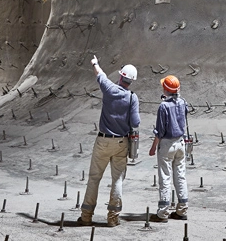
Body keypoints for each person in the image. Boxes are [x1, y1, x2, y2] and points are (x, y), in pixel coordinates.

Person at [79, 55, 139, 227]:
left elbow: (100, 74)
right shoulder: (132, 98)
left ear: (121, 76)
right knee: (117, 180)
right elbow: (135, 123)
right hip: (121, 143)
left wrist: (95, 62)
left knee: (94, 178)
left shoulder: (109, 89)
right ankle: (113, 217)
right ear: (131, 81)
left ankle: (86, 216)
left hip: (103, 141)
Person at [148, 75, 193, 221]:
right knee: (180, 176)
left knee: (165, 178)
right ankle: (182, 210)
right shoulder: (182, 102)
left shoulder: (163, 106)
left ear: (165, 89)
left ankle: (163, 213)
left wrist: (153, 147)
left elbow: (160, 131)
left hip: (167, 145)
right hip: (181, 143)